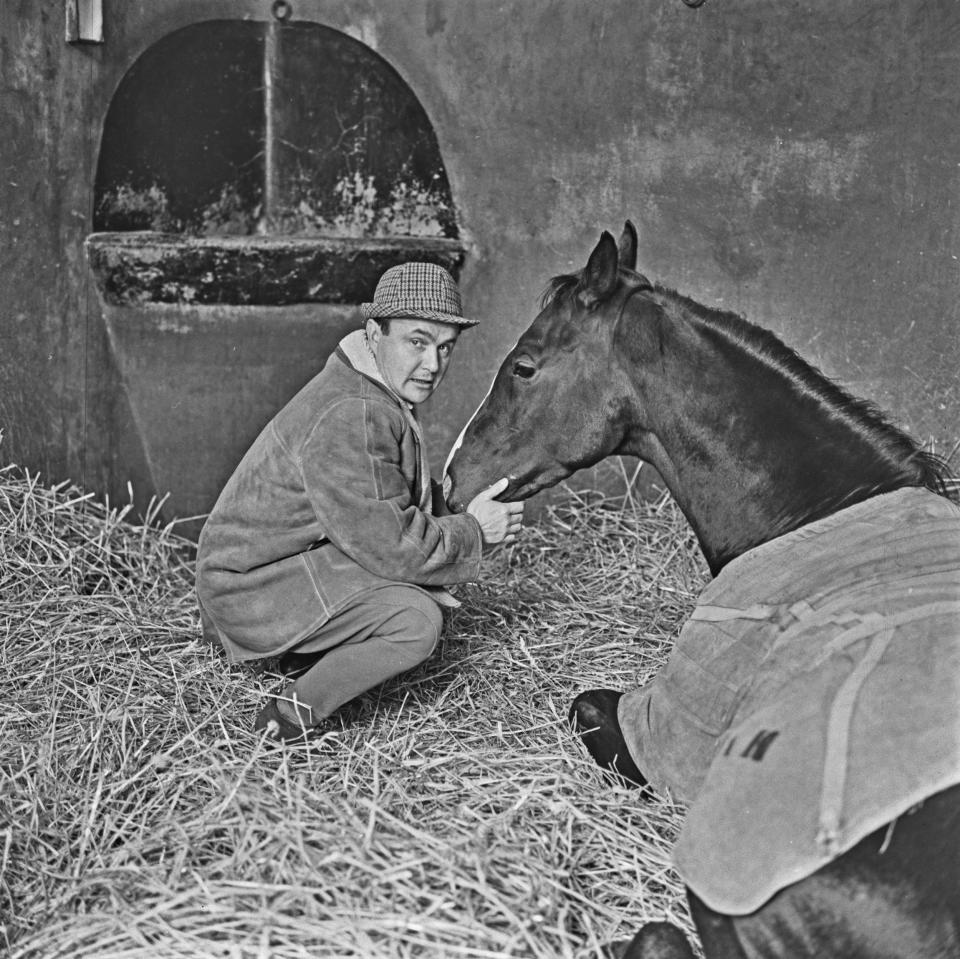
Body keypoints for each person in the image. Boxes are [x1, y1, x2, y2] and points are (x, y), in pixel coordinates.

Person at [195, 262, 524, 743]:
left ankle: (305, 653)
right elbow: (390, 545)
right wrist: (475, 531)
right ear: (375, 333)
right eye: (417, 341)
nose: (433, 364)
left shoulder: (364, 388)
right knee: (416, 622)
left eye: (445, 347)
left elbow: (376, 497)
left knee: (413, 595)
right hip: (249, 589)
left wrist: (451, 503)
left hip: (276, 568)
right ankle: (289, 715)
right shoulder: (356, 411)